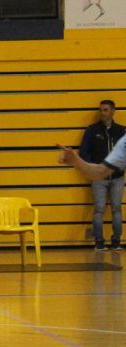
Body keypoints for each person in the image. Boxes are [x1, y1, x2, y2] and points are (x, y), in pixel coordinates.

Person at [79, 99, 126, 251]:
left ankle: (116, 241)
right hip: (98, 177)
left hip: (117, 177)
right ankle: (99, 242)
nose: (102, 113)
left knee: (116, 209)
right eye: (101, 110)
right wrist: (93, 167)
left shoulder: (122, 131)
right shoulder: (92, 130)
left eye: (105, 110)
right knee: (99, 209)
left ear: (113, 111)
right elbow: (84, 152)